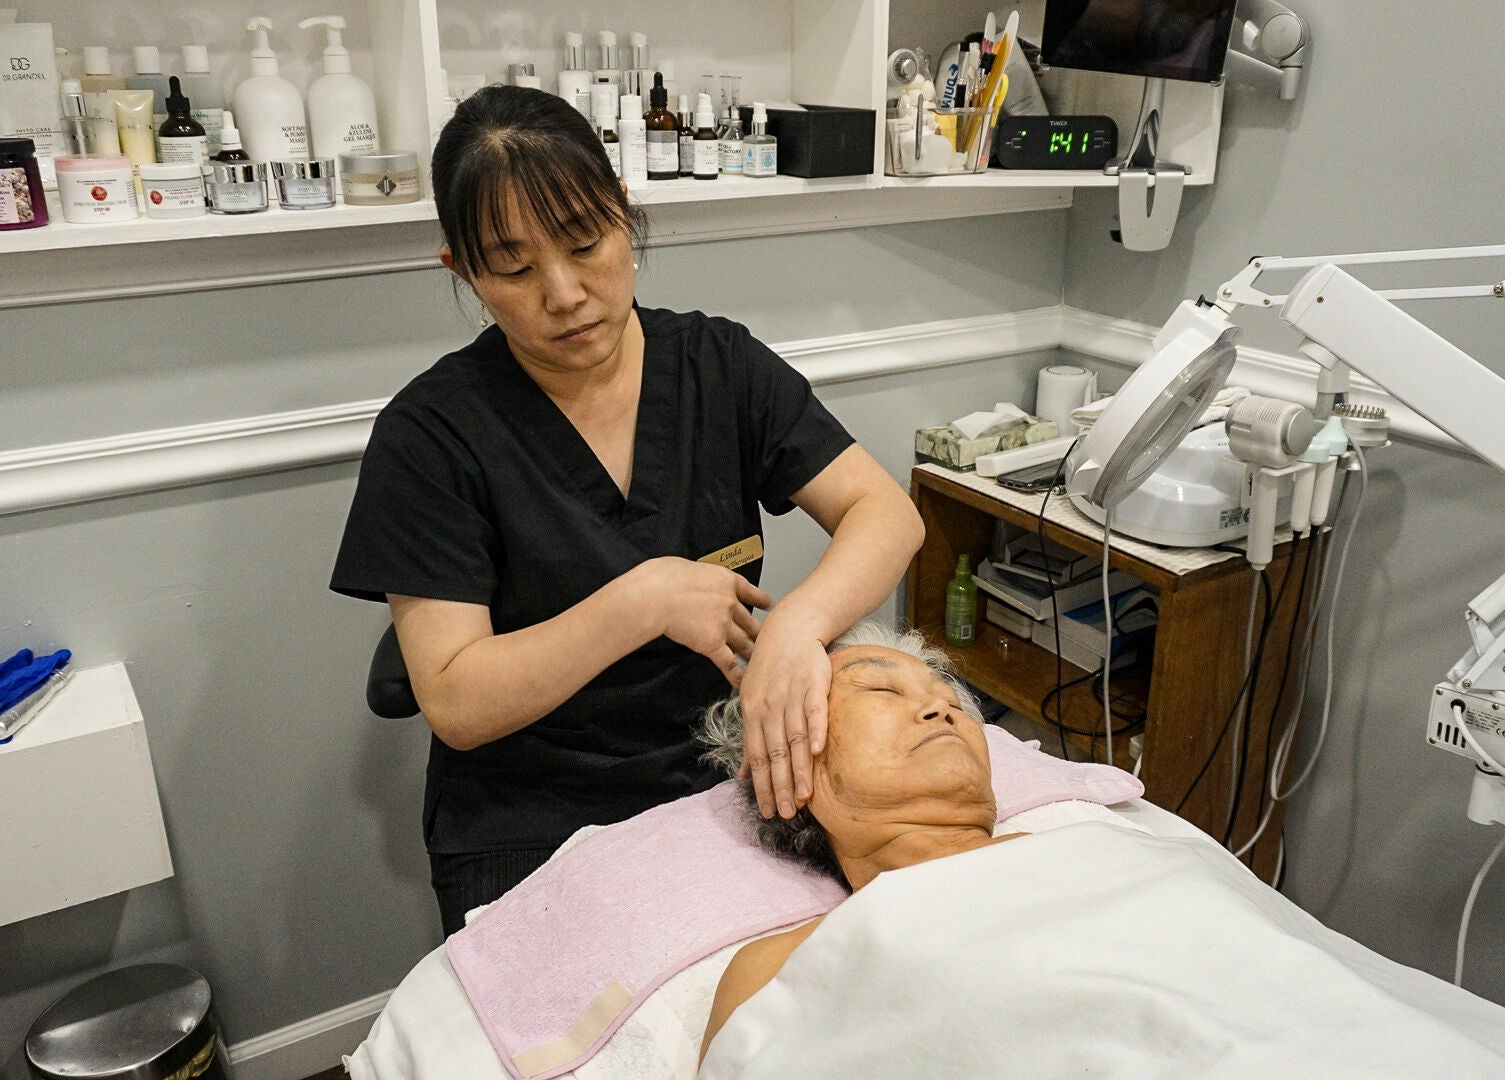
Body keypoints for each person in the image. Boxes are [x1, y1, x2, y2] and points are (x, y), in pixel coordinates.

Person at [329, 85, 923, 936]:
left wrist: (797, 627)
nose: (565, 293)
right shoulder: (431, 436)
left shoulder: (718, 366)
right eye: (515, 267)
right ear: (462, 271)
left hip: (728, 766)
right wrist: (639, 602)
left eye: (585, 243)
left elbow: (883, 511)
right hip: (529, 810)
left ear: (626, 217)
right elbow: (457, 702)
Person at [695, 622, 1015, 1058]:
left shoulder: (1101, 847)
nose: (940, 710)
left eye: (952, 702)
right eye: (882, 690)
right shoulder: (776, 974)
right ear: (786, 767)